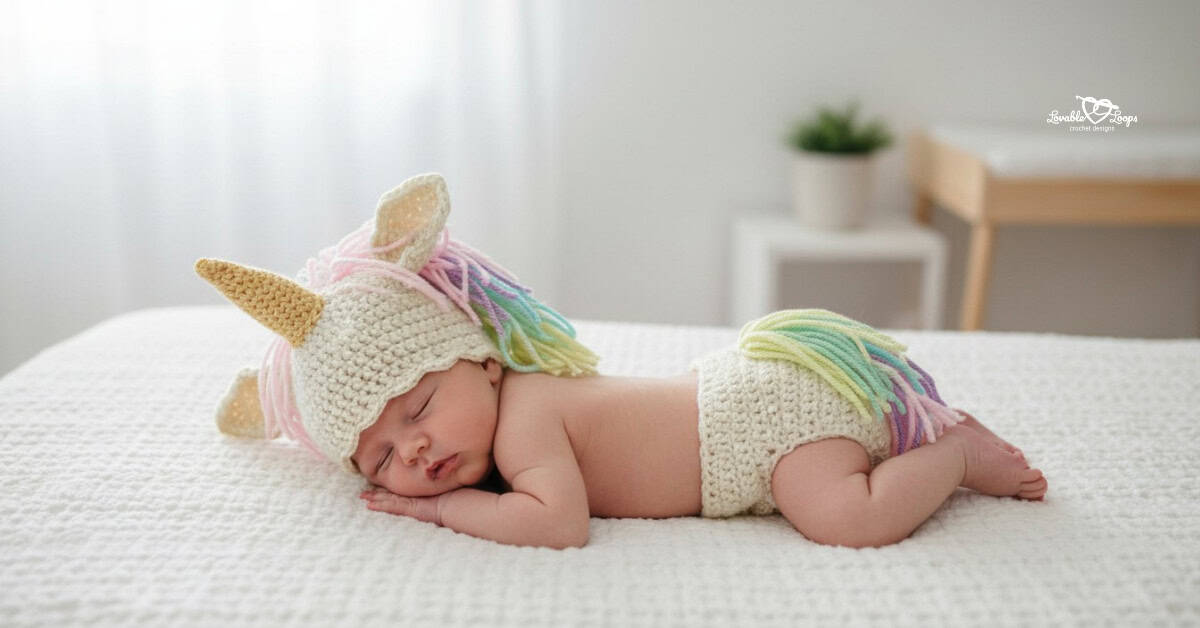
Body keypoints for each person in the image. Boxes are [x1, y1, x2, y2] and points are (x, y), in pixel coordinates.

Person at [196, 173, 1047, 550]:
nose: (412, 451)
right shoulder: (504, 415)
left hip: (767, 425)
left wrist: (445, 512)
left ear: (482, 363)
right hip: (740, 402)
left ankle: (952, 453)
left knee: (845, 519)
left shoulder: (528, 416)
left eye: (417, 411)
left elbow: (558, 524)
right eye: (379, 458)